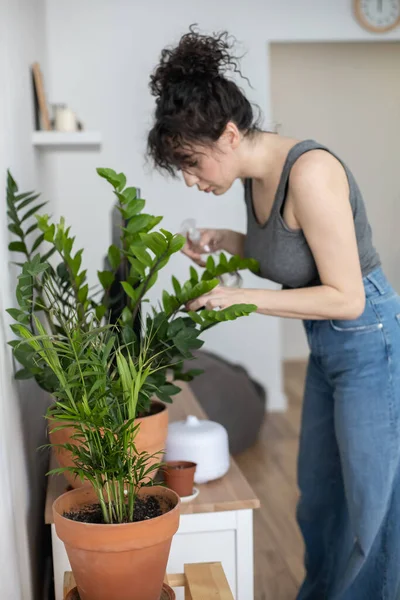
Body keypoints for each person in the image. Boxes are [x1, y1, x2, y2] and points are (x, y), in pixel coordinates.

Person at [147, 27, 400, 600]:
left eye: (191, 162)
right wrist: (228, 241)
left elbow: (347, 296)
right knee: (320, 497)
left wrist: (243, 299)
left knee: (374, 508)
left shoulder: (309, 173)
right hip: (328, 344)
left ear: (230, 135)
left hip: (368, 338)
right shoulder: (252, 176)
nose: (190, 178)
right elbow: (285, 252)